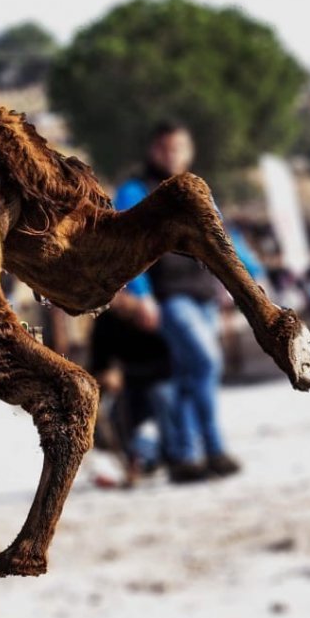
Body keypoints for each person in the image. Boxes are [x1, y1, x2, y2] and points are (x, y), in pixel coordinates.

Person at [115, 122, 263, 484]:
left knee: (189, 374)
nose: (172, 155)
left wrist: (249, 276)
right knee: (205, 361)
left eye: (179, 148)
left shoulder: (197, 191)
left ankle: (185, 457)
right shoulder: (135, 191)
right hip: (168, 297)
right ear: (154, 151)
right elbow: (128, 247)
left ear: (189, 150)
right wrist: (142, 296)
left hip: (203, 295)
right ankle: (211, 448)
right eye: (165, 149)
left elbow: (223, 238)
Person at [88, 291, 175, 481]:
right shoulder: (106, 322)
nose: (119, 299)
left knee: (162, 397)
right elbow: (97, 364)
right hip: (130, 388)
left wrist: (125, 375)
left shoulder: (153, 317)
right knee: (112, 416)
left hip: (160, 383)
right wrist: (105, 376)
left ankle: (173, 453)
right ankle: (134, 460)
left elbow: (168, 366)